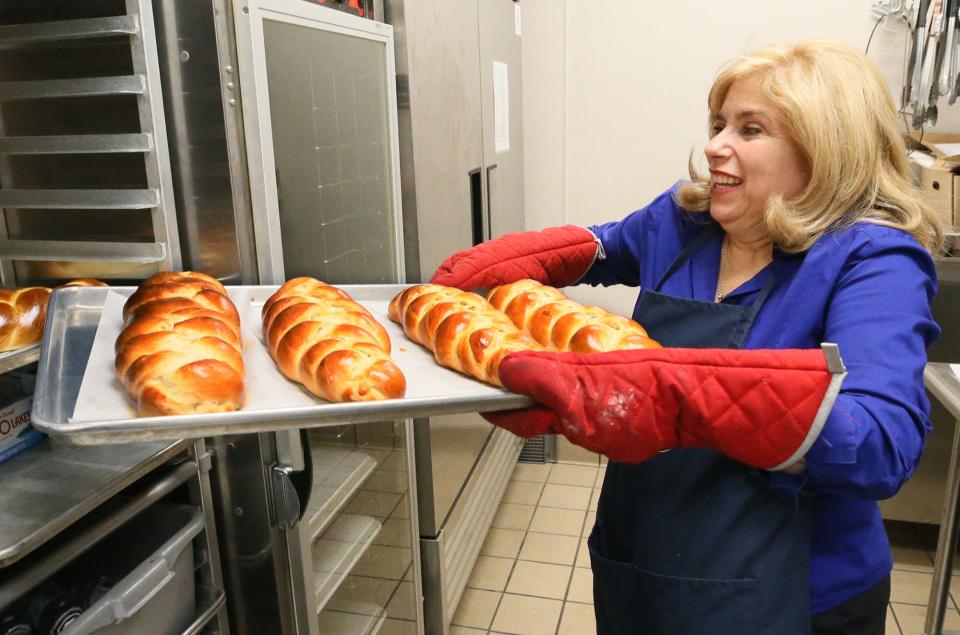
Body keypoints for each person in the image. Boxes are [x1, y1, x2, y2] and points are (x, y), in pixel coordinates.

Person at [431, 40, 943, 635]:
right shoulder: (685, 222)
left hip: (792, 594)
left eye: (750, 130)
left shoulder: (873, 260)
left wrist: (666, 396)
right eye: (719, 123)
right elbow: (599, 246)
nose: (715, 145)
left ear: (826, 149)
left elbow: (880, 445)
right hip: (642, 558)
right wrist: (479, 271)